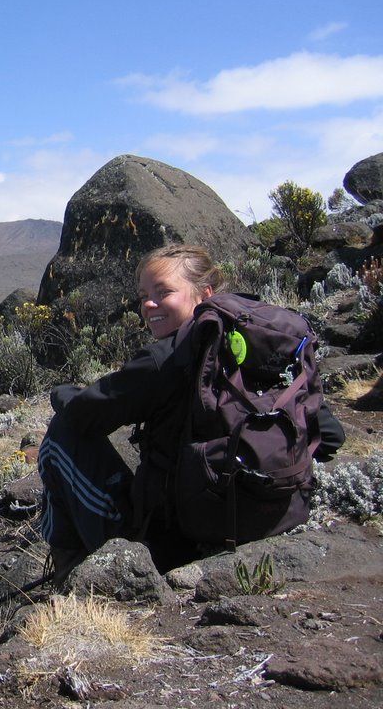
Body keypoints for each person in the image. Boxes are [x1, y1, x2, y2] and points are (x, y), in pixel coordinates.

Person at [36, 244, 345, 578]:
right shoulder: (257, 345)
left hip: (172, 541)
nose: (149, 305)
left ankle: (71, 569)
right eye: (143, 296)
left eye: (163, 292)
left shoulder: (165, 358)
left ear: (204, 293)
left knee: (61, 435)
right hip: (274, 518)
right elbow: (330, 437)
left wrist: (63, 394)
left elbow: (83, 414)